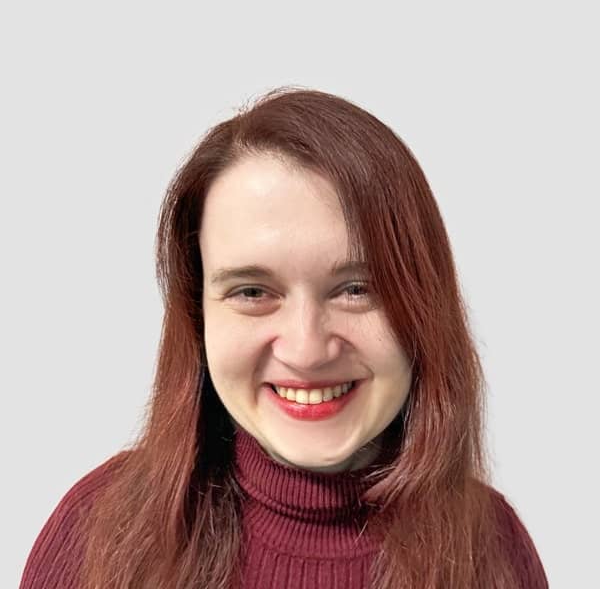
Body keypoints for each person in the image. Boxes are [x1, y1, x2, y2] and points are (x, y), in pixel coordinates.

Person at [20, 87, 549, 589]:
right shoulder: (95, 532)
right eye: (252, 291)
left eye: (357, 289)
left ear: (423, 306)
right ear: (197, 315)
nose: (306, 350)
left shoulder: (493, 550)